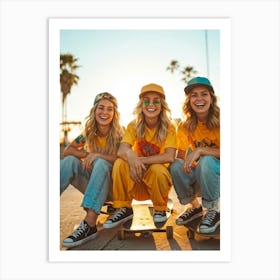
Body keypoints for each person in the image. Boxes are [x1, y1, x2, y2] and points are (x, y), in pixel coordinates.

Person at [103, 83, 177, 228]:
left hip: (157, 186)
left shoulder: (169, 127)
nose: (151, 104)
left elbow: (169, 156)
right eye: (146, 100)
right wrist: (131, 157)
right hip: (135, 180)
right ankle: (124, 208)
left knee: (156, 168)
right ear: (141, 104)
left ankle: (160, 209)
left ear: (162, 105)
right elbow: (122, 150)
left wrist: (139, 160)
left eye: (156, 101)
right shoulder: (134, 125)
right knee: (120, 162)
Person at [60, 92, 123, 247]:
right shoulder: (88, 134)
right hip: (96, 184)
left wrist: (98, 156)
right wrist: (88, 154)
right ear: (94, 110)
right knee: (69, 162)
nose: (105, 112)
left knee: (101, 162)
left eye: (110, 109)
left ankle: (90, 224)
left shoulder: (121, 133)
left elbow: (124, 159)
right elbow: (67, 151)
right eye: (101, 108)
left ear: (114, 113)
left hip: (116, 189)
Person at [169, 77, 220, 234]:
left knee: (206, 160)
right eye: (194, 95)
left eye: (204, 94)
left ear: (211, 98)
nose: (199, 99)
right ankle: (196, 208)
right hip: (205, 173)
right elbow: (182, 157)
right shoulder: (185, 126)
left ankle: (213, 211)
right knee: (176, 165)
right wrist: (192, 165)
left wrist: (201, 151)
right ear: (189, 100)